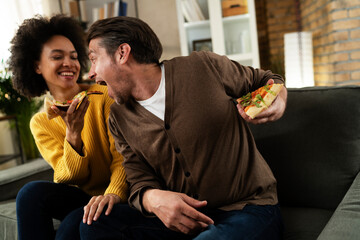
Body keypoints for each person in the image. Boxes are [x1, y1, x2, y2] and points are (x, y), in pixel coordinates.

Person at [83, 16, 287, 240]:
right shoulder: (118, 118)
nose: (91, 73)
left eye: (94, 59)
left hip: (248, 209)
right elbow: (139, 179)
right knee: (95, 225)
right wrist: (153, 200)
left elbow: (267, 80)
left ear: (122, 53)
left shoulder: (205, 66)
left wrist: (279, 96)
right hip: (183, 222)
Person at [8, 15, 128, 240]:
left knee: (73, 225)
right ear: (36, 66)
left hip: (120, 195)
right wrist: (73, 133)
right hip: (83, 197)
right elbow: (67, 176)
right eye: (57, 57)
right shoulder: (41, 122)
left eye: (74, 57)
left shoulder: (104, 97)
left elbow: (123, 159)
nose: (69, 64)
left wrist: (112, 194)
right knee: (29, 193)